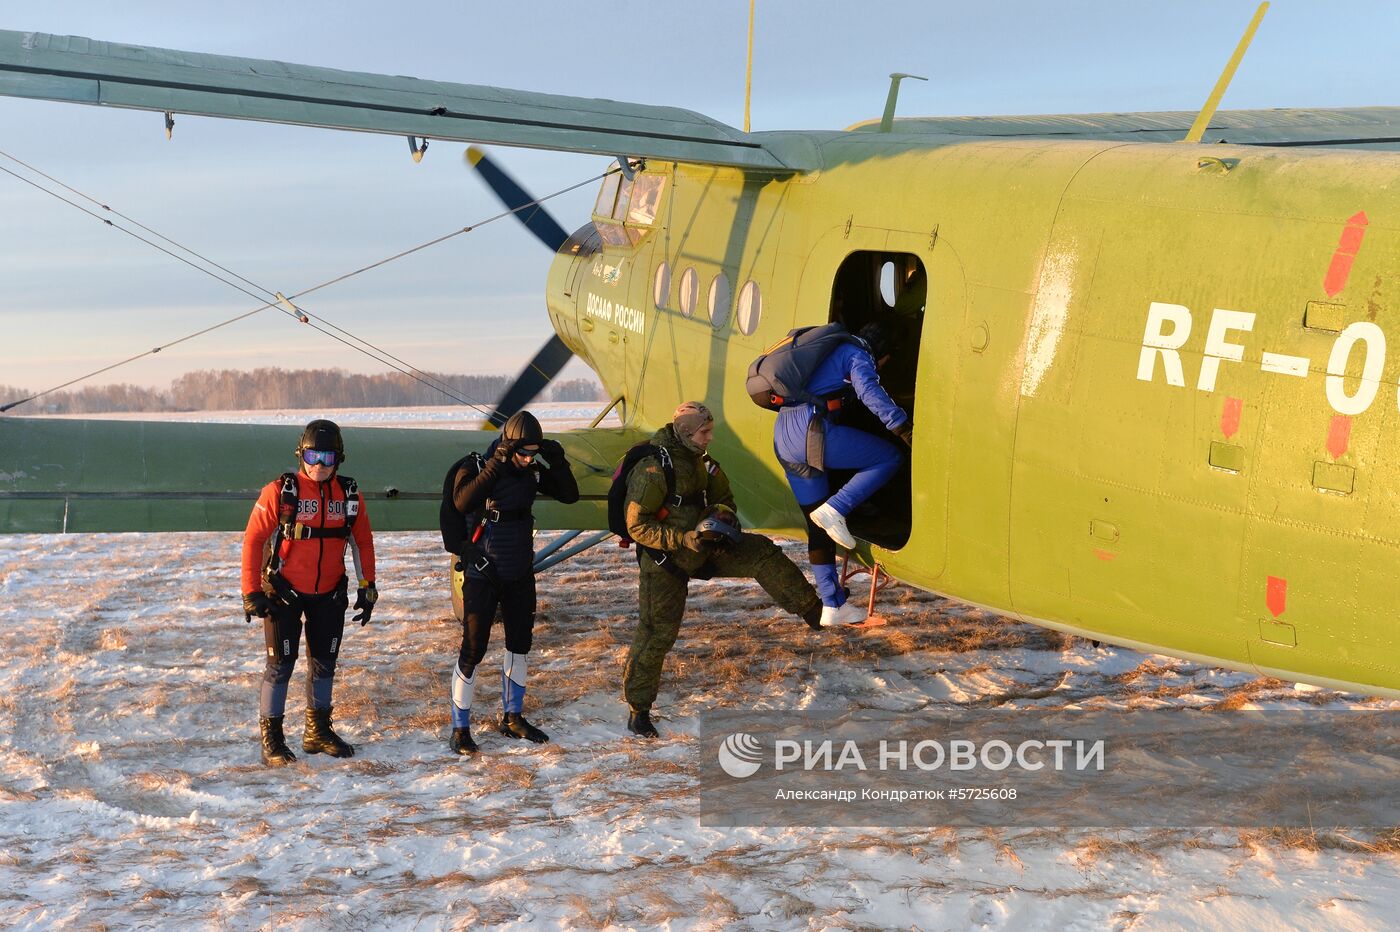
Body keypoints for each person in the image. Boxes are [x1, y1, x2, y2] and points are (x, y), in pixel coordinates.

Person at [622, 401, 822, 739]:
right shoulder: (653, 470)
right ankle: (638, 711)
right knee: (656, 633)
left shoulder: (703, 462)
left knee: (762, 552)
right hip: (665, 560)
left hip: (706, 548)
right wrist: (682, 538)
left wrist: (720, 520)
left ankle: (814, 611)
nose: (710, 438)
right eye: (704, 432)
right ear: (686, 432)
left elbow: (725, 497)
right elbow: (637, 526)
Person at [241, 419, 378, 767]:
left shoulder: (349, 496)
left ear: (339, 459)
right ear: (301, 455)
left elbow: (362, 542)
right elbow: (254, 540)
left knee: (324, 663)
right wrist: (250, 591)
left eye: (327, 458)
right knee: (280, 666)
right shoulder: (280, 492)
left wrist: (368, 586)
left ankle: (317, 732)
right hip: (283, 593)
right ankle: (272, 741)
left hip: (329, 593)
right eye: (312, 456)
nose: (319, 465)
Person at [447, 411, 579, 754]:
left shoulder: (530, 470)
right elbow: (461, 501)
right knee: (473, 649)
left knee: (520, 645)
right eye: (523, 453)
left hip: (519, 570)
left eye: (533, 453)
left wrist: (558, 463)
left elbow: (569, 495)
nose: (528, 460)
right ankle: (460, 729)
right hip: (483, 571)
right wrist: (496, 464)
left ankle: (513, 718)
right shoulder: (478, 466)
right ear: (508, 445)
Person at [773, 322, 912, 627]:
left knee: (817, 528)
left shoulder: (827, 350)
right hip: (810, 432)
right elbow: (869, 391)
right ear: (884, 356)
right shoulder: (856, 354)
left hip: (784, 437)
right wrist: (901, 427)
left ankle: (833, 605)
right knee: (889, 457)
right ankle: (837, 507)